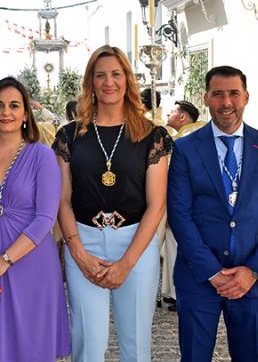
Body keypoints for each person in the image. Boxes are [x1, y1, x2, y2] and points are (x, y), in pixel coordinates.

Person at [53, 45, 171, 361]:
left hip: (136, 242)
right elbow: (62, 200)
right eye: (100, 75)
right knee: (88, 343)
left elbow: (157, 205)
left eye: (116, 74)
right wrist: (77, 252)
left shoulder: (151, 135)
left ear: (127, 80)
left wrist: (128, 262)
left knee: (135, 345)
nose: (109, 82)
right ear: (90, 82)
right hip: (84, 240)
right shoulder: (69, 135)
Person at [167, 65, 258, 362]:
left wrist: (254, 269)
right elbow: (180, 215)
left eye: (234, 93)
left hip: (251, 280)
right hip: (198, 278)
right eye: (218, 94)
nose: (226, 102)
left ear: (246, 97)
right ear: (207, 99)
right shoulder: (184, 149)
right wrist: (211, 271)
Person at [0, 77, 70, 362]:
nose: (5, 112)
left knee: (33, 348)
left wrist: (1, 264)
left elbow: (45, 218)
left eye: (14, 105)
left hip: (31, 264)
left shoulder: (43, 157)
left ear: (25, 114)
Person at [160, 99, 205, 311]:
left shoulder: (185, 141)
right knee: (172, 247)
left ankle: (180, 294)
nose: (168, 113)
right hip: (184, 206)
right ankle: (171, 291)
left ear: (182, 117)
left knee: (179, 248)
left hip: (182, 207)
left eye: (172, 111)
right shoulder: (191, 137)